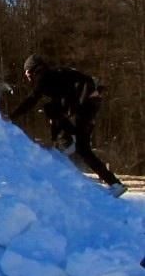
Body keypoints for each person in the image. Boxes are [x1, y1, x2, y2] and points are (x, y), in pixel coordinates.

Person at [10, 54, 126, 197]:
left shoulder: (44, 77)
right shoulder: (56, 77)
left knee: (55, 113)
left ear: (34, 70)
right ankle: (114, 183)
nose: (28, 78)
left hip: (84, 102)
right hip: (87, 101)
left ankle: (66, 143)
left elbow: (32, 99)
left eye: (27, 73)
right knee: (81, 146)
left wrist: (12, 116)